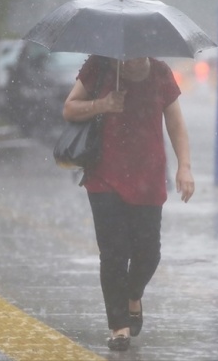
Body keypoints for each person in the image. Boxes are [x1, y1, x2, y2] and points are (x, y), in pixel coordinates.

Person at [62, 55, 195, 351]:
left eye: (140, 52)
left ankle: (133, 295)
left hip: (148, 176)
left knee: (149, 254)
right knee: (114, 254)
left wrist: (184, 166)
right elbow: (69, 108)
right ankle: (118, 326)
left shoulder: (160, 73)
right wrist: (103, 104)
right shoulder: (100, 67)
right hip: (104, 175)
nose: (133, 59)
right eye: (128, 54)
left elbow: (175, 123)